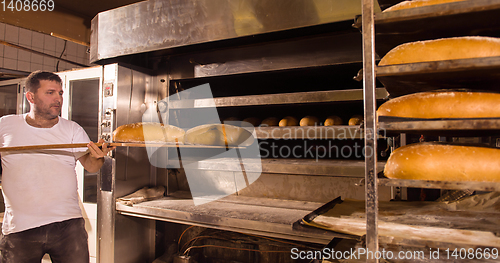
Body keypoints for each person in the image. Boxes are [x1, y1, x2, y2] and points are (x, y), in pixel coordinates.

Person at [0, 71, 114, 263]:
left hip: (67, 225)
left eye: (60, 93)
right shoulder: (5, 126)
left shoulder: (72, 129)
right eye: (50, 92)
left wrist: (99, 157)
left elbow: (92, 166)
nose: (58, 99)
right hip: (20, 227)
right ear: (31, 97)